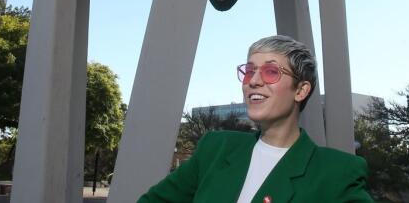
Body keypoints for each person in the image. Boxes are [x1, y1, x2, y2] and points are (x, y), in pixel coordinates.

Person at [139, 35, 373, 202]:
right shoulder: (215, 149)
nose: (253, 81)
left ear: (300, 91)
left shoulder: (337, 172)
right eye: (250, 71)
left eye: (271, 72)